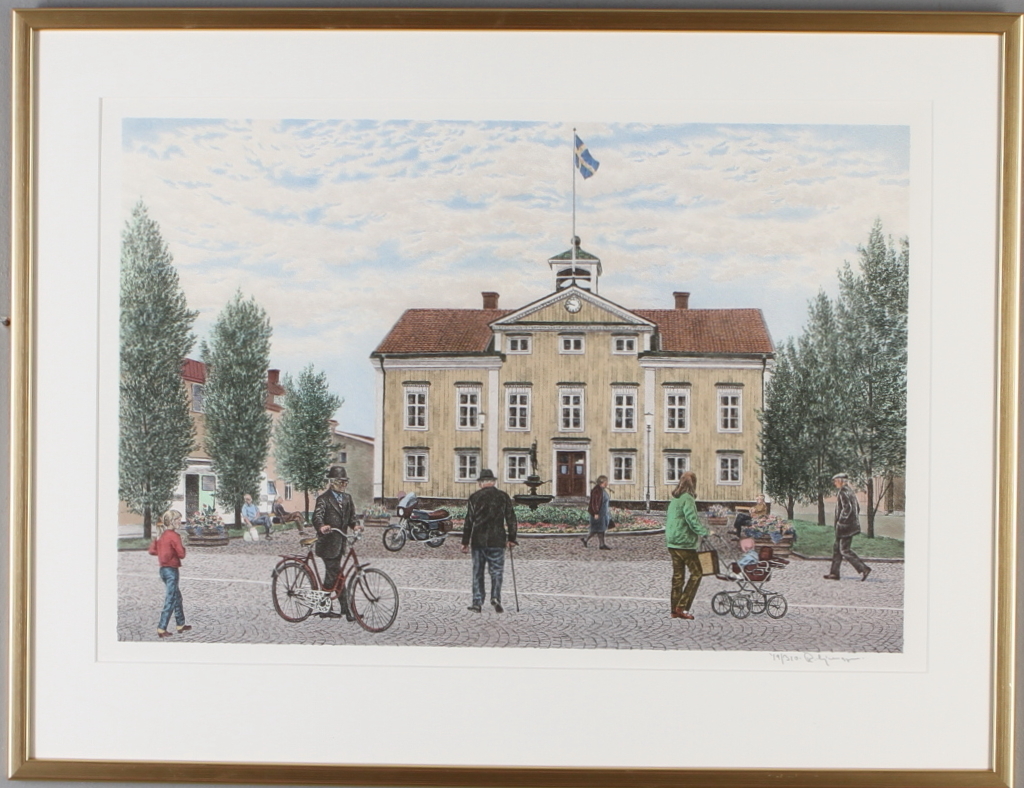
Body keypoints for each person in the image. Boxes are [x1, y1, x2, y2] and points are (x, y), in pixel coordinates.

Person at [460, 468, 518, 614]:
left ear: (481, 483)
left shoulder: (474, 497)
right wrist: (512, 538)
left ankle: (477, 603)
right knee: (496, 571)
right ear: (493, 482)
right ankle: (496, 598)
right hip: (497, 539)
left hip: (478, 540)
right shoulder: (503, 496)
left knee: (478, 572)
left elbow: (469, 520)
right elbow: (511, 518)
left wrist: (465, 541)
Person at [313, 465, 362, 619]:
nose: (343, 485)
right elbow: (317, 517)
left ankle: (344, 610)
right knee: (333, 576)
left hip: (340, 543)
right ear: (332, 482)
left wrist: (356, 525)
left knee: (337, 576)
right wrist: (322, 526)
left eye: (345, 482)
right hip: (327, 544)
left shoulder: (347, 498)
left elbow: (352, 517)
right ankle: (330, 608)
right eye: (340, 482)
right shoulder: (323, 499)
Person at [664, 471, 709, 620]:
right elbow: (692, 520)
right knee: (697, 573)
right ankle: (682, 607)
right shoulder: (688, 498)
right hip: (685, 542)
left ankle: (674, 609)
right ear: (693, 484)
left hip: (672, 542)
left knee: (678, 576)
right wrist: (705, 531)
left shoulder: (675, 499)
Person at [148, 510, 191, 638]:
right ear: (172, 521)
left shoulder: (161, 535)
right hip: (172, 570)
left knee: (177, 597)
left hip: (163, 570)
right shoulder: (174, 536)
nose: (180, 521)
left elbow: (152, 551)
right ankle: (162, 628)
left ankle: (180, 624)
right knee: (171, 599)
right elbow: (181, 554)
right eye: (178, 519)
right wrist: (183, 545)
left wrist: (163, 550)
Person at [824, 473, 871, 582]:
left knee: (844, 550)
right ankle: (834, 573)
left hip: (845, 527)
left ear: (841, 481)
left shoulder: (843, 492)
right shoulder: (849, 491)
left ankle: (864, 568)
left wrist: (841, 521)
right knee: (837, 549)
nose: (834, 483)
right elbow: (857, 508)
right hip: (848, 526)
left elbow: (847, 509)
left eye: (836, 481)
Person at [583, 475, 612, 549]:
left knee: (600, 529)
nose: (607, 483)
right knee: (596, 529)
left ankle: (601, 544)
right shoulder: (597, 490)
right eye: (606, 481)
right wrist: (595, 512)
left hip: (603, 513)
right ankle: (587, 540)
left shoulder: (601, 489)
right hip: (598, 513)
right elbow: (595, 502)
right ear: (603, 482)